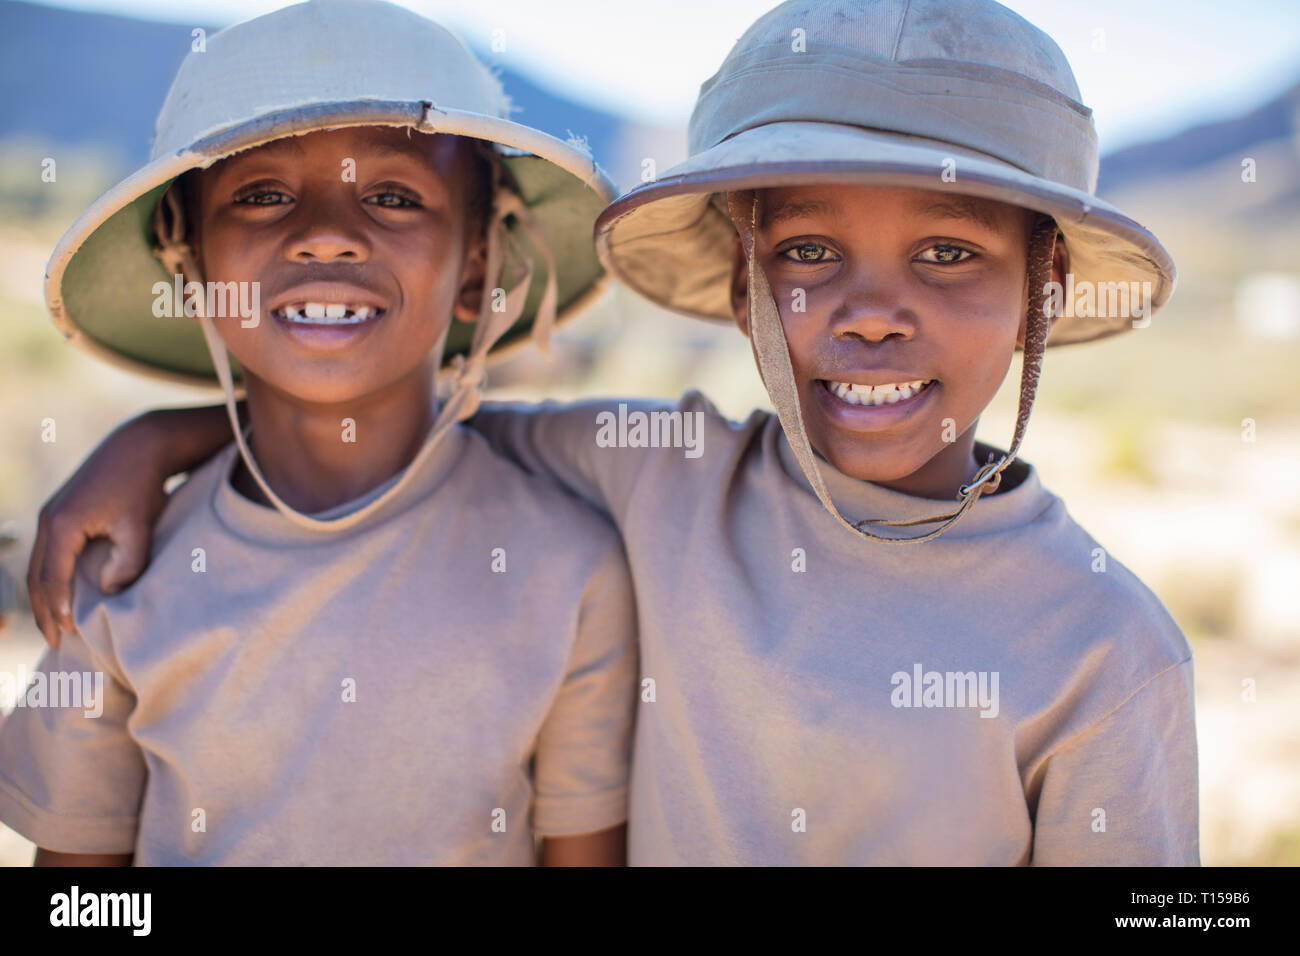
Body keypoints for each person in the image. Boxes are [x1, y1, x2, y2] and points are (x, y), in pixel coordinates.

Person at [23, 0, 1198, 864]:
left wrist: (157, 441)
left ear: (1047, 288)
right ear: (740, 284)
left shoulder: (1106, 646)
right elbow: (386, 418)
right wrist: (159, 441)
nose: (872, 312)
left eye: (949, 253)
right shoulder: (665, 477)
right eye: (803, 252)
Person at [1, 0, 637, 866]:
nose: (329, 237)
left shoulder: (568, 572)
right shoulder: (117, 576)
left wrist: (155, 438)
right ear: (188, 263)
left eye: (391, 195)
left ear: (479, 260)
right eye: (261, 195)